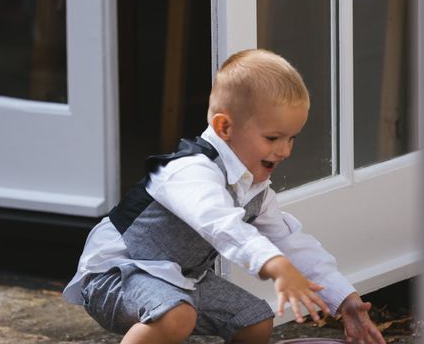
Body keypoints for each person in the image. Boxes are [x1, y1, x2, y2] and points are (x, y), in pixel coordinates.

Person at [63, 49, 385, 344]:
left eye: (292, 138)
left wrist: (345, 299)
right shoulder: (189, 171)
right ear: (224, 127)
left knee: (255, 321)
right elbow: (220, 223)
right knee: (176, 316)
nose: (285, 150)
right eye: (273, 137)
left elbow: (293, 243)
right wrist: (274, 265)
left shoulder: (256, 191)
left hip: (183, 282)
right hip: (118, 274)